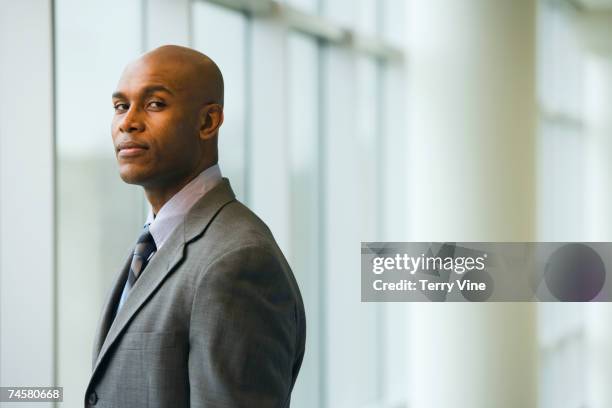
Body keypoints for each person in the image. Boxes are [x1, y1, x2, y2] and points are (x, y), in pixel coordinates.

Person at [84, 45, 306, 408]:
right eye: (121, 106)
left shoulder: (238, 260)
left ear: (208, 122)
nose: (128, 122)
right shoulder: (154, 243)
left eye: (155, 104)